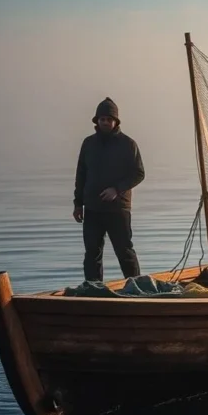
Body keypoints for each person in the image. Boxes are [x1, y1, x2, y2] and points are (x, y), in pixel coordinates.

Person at [72, 97, 145, 282]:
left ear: (115, 122)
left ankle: (137, 288)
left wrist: (117, 189)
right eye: (102, 119)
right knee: (92, 253)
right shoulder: (88, 143)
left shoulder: (128, 144)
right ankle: (93, 290)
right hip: (92, 208)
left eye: (109, 119)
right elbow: (81, 174)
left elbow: (138, 173)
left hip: (118, 209)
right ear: (97, 121)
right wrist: (77, 204)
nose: (105, 122)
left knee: (124, 251)